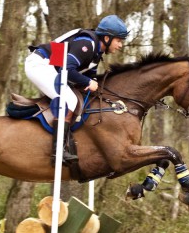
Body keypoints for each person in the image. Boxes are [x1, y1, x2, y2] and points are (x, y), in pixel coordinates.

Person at [25, 15, 129, 162]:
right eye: (119, 40)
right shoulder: (86, 44)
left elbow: (90, 74)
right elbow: (66, 69)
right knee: (70, 100)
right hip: (39, 65)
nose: (120, 45)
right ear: (107, 38)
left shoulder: (96, 52)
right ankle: (58, 151)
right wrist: (88, 81)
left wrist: (92, 82)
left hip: (51, 68)